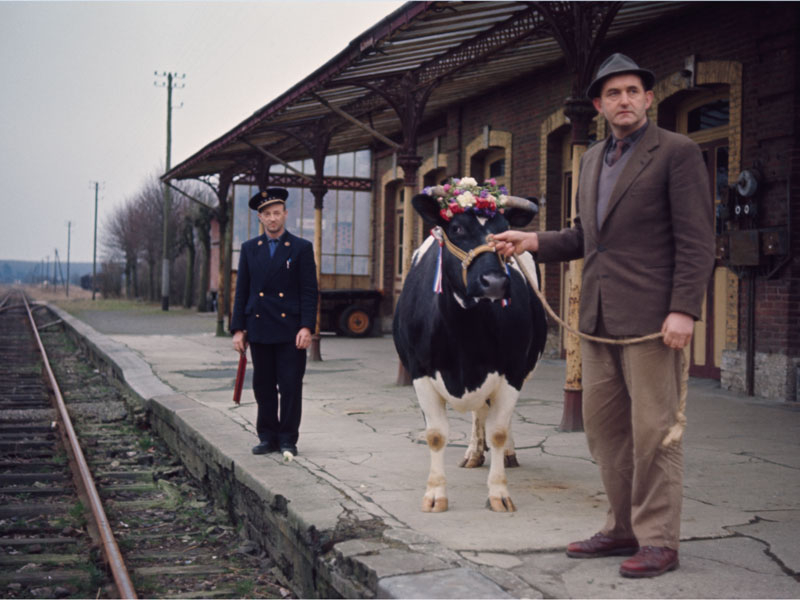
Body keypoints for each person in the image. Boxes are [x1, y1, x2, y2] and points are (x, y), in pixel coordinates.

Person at [493, 53, 715, 578]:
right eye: (613, 94)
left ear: (648, 97)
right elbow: (584, 236)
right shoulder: (592, 160)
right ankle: (621, 528)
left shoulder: (677, 153)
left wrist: (684, 309)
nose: (624, 101)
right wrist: (533, 240)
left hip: (652, 322)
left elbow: (697, 240)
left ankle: (659, 540)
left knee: (654, 432)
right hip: (595, 319)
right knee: (605, 432)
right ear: (598, 104)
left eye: (632, 91)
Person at [231, 187, 318, 459]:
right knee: (263, 385)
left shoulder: (301, 248)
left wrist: (307, 326)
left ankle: (288, 439)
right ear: (260, 217)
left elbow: (309, 290)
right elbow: (242, 290)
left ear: (285, 214)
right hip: (259, 328)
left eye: (276, 213)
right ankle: (267, 436)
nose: (272, 219)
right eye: (267, 214)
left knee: (290, 385)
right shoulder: (249, 249)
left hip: (291, 330)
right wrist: (238, 329)